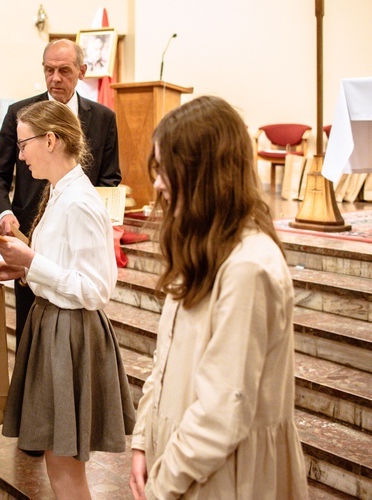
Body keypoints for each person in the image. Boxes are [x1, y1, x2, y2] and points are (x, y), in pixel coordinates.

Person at [128, 96, 309, 499]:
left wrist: (164, 483)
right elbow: (167, 359)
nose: (157, 184)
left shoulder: (249, 266)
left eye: (166, 171)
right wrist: (144, 439)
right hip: (183, 459)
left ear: (203, 173)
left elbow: (223, 410)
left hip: (224, 474)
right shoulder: (202, 247)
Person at [0, 100, 136, 499]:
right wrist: (21, 269)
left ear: (50, 140)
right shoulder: (59, 192)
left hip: (70, 334)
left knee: (65, 468)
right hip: (52, 325)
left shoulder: (80, 201)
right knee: (57, 462)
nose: (20, 155)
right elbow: (60, 264)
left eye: (24, 144)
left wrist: (31, 261)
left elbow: (96, 288)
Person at [0, 38, 121, 358]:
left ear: (81, 71)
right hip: (28, 235)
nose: (55, 78)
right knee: (30, 338)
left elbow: (110, 179)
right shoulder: (20, 113)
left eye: (64, 70)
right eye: (49, 70)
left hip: (77, 236)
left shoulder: (102, 118)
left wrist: (94, 220)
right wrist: (4, 214)